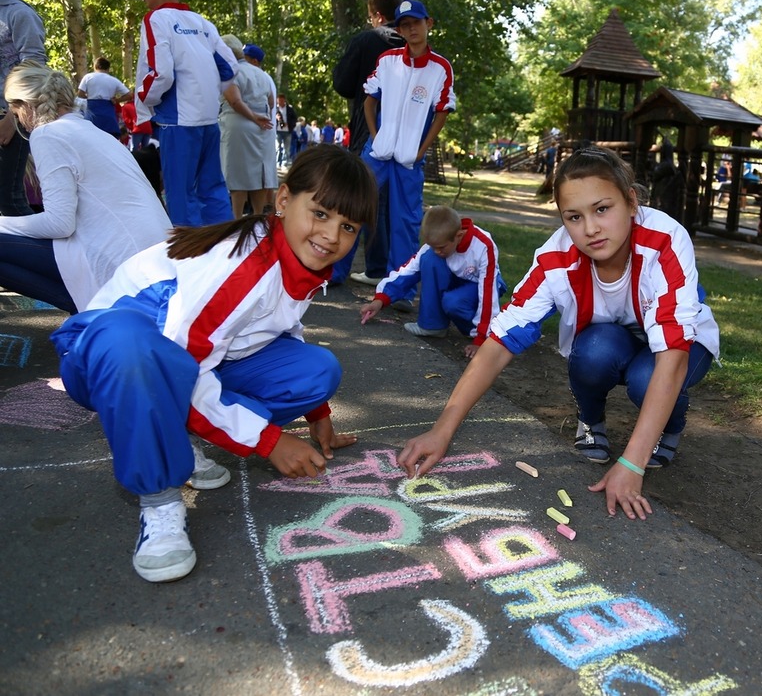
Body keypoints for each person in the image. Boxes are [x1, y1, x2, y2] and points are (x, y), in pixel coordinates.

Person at [48, 145, 376, 583]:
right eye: (320, 213)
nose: (332, 236)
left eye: (348, 226)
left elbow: (278, 329)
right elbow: (184, 362)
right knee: (131, 344)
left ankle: (178, 437)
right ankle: (160, 499)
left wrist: (318, 414)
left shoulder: (297, 259)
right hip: (103, 358)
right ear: (283, 200)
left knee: (317, 372)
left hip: (182, 362)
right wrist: (269, 441)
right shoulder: (241, 265)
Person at [397, 146, 719, 521]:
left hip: (678, 349)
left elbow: (674, 356)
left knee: (647, 379)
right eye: (574, 217)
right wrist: (442, 429)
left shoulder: (664, 240)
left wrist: (632, 465)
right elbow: (500, 342)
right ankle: (591, 421)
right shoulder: (557, 257)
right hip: (614, 343)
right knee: (594, 349)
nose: (591, 228)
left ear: (631, 202)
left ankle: (669, 427)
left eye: (603, 209)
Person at [0, 63, 171, 313]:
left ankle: (92, 313)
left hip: (123, 272)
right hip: (153, 267)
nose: (20, 124)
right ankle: (89, 316)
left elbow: (60, 224)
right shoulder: (95, 132)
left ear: (26, 106)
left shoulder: (47, 135)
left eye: (15, 114)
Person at [124, 0, 237, 227]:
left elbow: (161, 72)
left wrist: (145, 99)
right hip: (208, 120)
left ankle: (187, 261)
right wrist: (207, 93)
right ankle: (226, 254)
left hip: (177, 122)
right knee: (213, 189)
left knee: (180, 196)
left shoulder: (155, 19)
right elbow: (230, 67)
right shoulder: (203, 23)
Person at [355, 0, 456, 294]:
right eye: (404, 25)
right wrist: (375, 136)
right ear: (399, 29)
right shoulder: (387, 60)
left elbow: (442, 112)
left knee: (405, 223)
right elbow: (369, 101)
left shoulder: (440, 68)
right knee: (353, 205)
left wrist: (422, 150)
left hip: (409, 159)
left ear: (429, 23)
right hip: (378, 153)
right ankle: (332, 272)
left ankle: (399, 290)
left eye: (416, 22)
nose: (411, 29)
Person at [360, 205, 506, 359]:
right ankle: (433, 325)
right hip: (455, 283)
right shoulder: (435, 246)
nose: (437, 251)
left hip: (480, 286)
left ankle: (477, 331)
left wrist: (481, 339)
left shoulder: (483, 245)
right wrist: (380, 300)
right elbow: (408, 271)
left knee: (453, 302)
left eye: (441, 247)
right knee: (429, 259)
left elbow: (488, 293)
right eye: (433, 246)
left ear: (459, 235)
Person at [332, 0, 404, 159]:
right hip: (406, 129)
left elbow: (343, 84)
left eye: (370, 17)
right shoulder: (413, 43)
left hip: (368, 128)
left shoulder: (364, 41)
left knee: (365, 181)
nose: (371, 22)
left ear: (379, 16)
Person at [0, 0, 45, 217]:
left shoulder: (19, 14)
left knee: (9, 199)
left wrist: (12, 117)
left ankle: (47, 255)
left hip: (11, 117)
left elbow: (34, 67)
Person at [218, 35, 275, 218]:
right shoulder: (261, 73)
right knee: (259, 176)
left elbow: (235, 101)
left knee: (238, 177)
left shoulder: (231, 72)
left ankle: (237, 218)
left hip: (239, 125)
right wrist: (260, 117)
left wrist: (252, 116)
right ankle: (257, 216)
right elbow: (271, 102)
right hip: (263, 127)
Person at [76, 57, 131, 138]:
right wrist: (117, 100)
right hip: (108, 114)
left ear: (95, 67)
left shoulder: (88, 77)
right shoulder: (114, 80)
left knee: (91, 138)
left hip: (92, 114)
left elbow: (80, 94)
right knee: (110, 140)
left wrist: (88, 97)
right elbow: (129, 95)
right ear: (108, 68)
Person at [274, 94, 296, 166]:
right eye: (279, 100)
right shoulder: (275, 109)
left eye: (281, 100)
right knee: (277, 147)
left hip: (287, 131)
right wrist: (275, 118)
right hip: (277, 131)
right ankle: (277, 163)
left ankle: (284, 163)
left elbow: (294, 119)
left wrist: (289, 124)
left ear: (284, 100)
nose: (280, 102)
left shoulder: (290, 109)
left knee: (287, 148)